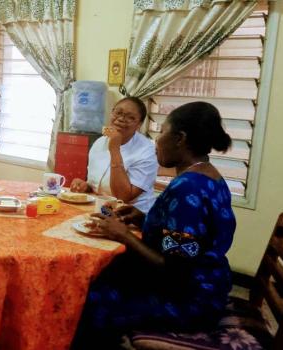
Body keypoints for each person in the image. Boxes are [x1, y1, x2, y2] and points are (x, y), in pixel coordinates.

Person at [71, 101, 236, 348]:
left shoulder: (188, 188)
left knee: (90, 295)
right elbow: (188, 239)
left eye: (161, 133)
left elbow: (174, 269)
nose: (156, 141)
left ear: (179, 138)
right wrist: (143, 217)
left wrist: (124, 235)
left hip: (191, 299)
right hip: (207, 283)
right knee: (109, 271)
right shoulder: (208, 175)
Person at [70, 97, 158, 213]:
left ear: (139, 124)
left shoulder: (148, 151)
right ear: (112, 113)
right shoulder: (100, 142)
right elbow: (96, 183)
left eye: (130, 117)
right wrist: (86, 186)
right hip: (100, 208)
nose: (121, 119)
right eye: (118, 113)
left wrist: (115, 149)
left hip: (133, 215)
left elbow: (123, 197)